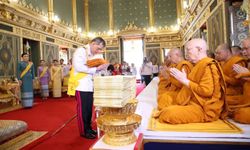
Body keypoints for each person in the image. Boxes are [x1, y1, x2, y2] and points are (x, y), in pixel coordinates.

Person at [155, 38, 227, 124]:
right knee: (165, 102)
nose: (186, 53)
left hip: (203, 107)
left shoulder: (208, 65)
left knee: (168, 114)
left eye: (189, 49)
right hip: (192, 100)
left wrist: (185, 81)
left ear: (199, 49)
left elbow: (206, 91)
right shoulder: (199, 64)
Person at [72, 37, 109, 139]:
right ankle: (84, 131)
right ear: (93, 44)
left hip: (90, 85)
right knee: (83, 109)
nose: (99, 51)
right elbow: (78, 67)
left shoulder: (94, 55)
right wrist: (96, 68)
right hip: (81, 85)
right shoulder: (81, 51)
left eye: (100, 49)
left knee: (88, 109)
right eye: (98, 48)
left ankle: (88, 128)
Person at [231, 38, 250, 124]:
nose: (244, 52)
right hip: (246, 99)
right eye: (243, 49)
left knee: (242, 114)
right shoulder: (247, 63)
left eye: (246, 49)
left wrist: (247, 74)